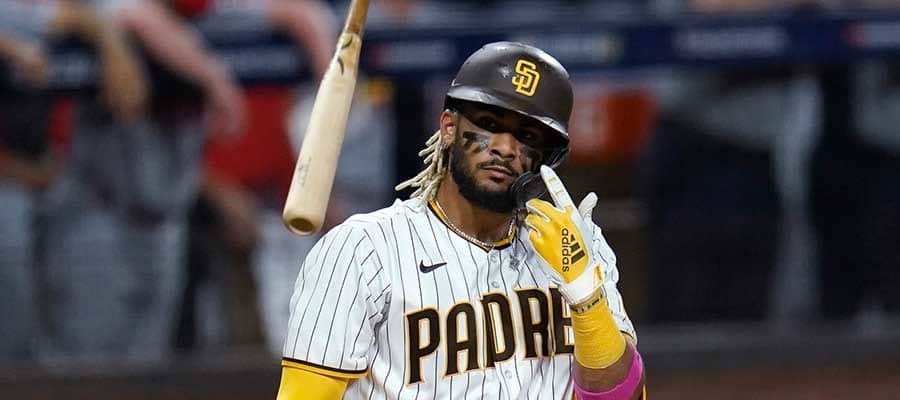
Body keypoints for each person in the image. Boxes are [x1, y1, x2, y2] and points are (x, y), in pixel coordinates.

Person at [276, 42, 645, 400]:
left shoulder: (580, 245)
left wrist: (584, 292)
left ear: (548, 156)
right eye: (489, 123)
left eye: (527, 136)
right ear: (449, 126)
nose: (505, 147)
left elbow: (622, 398)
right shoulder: (363, 250)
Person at [38, 0, 244, 365]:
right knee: (86, 373)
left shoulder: (207, 22)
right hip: (99, 223)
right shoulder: (113, 18)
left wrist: (208, 76)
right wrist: (215, 79)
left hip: (166, 230)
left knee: (146, 370)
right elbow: (119, 12)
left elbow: (289, 11)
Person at [0, 0, 145, 365]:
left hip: (47, 176)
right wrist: (13, 48)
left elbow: (69, 16)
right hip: (16, 182)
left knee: (94, 242)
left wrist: (112, 46)